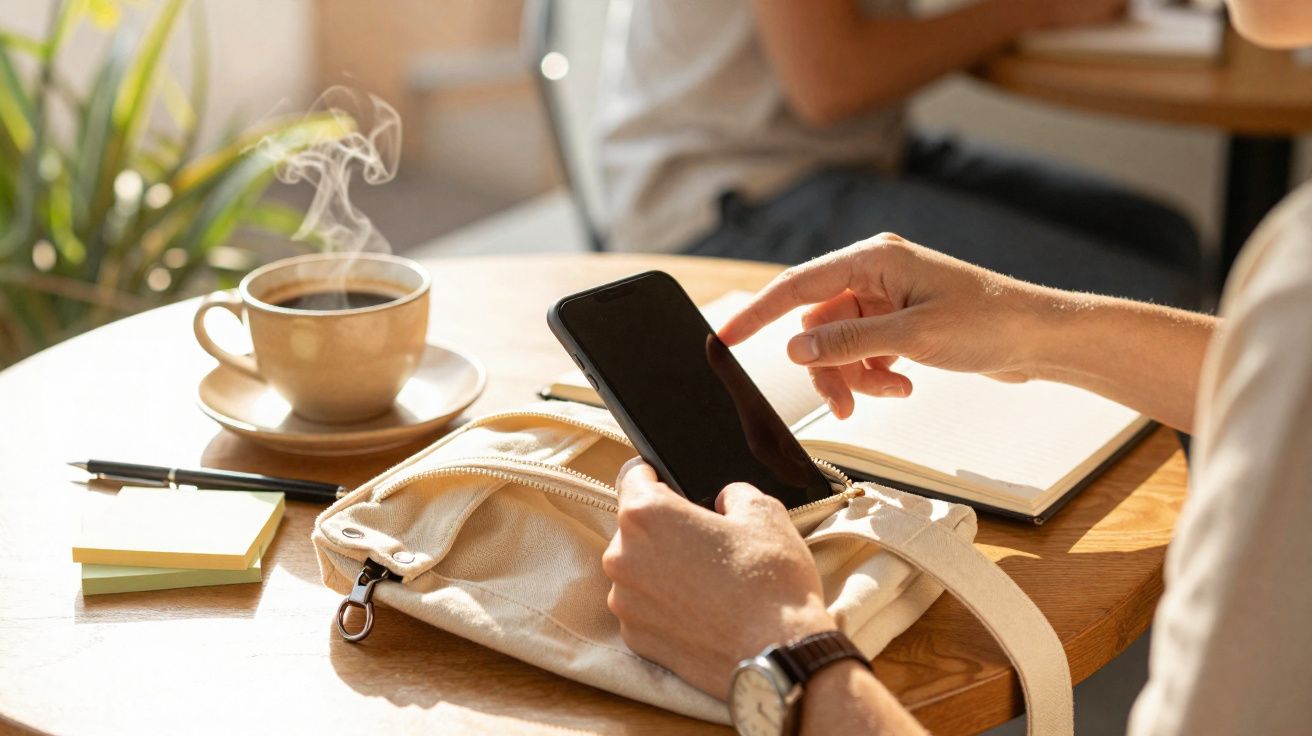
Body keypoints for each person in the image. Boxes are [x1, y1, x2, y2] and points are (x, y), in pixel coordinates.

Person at [599, 0, 1312, 732]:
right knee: (1161, 251)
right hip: (739, 184)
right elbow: (830, 78)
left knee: (1160, 256)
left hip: (838, 156)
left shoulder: (1298, 291)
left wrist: (777, 647)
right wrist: (1031, 327)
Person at [596, 0, 1203, 307]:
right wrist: (1034, 7)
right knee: (1150, 298)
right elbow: (832, 81)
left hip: (847, 153)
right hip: (730, 197)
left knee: (1165, 238)